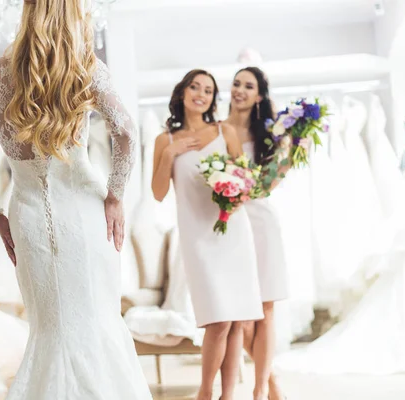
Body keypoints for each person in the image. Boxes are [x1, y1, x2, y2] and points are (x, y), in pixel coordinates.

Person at [0, 1, 152, 399]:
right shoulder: (85, 67)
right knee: (98, 322)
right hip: (88, 216)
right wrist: (116, 196)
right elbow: (125, 131)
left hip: (29, 218)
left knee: (49, 329)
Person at [151, 69, 263, 400]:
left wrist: (231, 187)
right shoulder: (164, 141)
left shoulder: (224, 131)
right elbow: (157, 193)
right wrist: (171, 155)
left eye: (209, 90)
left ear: (214, 98)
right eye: (195, 87)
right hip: (198, 238)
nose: (202, 94)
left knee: (234, 321)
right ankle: (204, 393)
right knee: (217, 320)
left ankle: (226, 396)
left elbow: (247, 183)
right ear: (182, 93)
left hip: (232, 232)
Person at [225, 67, 289, 400]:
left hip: (261, 221)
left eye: (248, 86)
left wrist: (290, 152)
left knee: (265, 310)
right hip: (231, 223)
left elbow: (270, 183)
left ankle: (260, 388)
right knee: (240, 316)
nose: (240, 90)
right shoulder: (217, 130)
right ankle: (272, 377)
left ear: (259, 95)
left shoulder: (269, 133)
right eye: (236, 83)